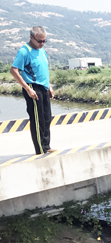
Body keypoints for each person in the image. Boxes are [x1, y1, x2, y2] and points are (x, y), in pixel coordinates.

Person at [10, 26, 56, 155]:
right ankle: (40, 149)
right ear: (31, 38)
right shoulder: (24, 51)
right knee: (38, 119)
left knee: (47, 118)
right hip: (32, 87)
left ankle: (46, 146)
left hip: (44, 87)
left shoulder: (42, 51)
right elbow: (14, 70)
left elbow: (44, 70)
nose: (42, 44)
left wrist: (49, 86)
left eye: (44, 41)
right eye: (39, 41)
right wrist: (27, 88)